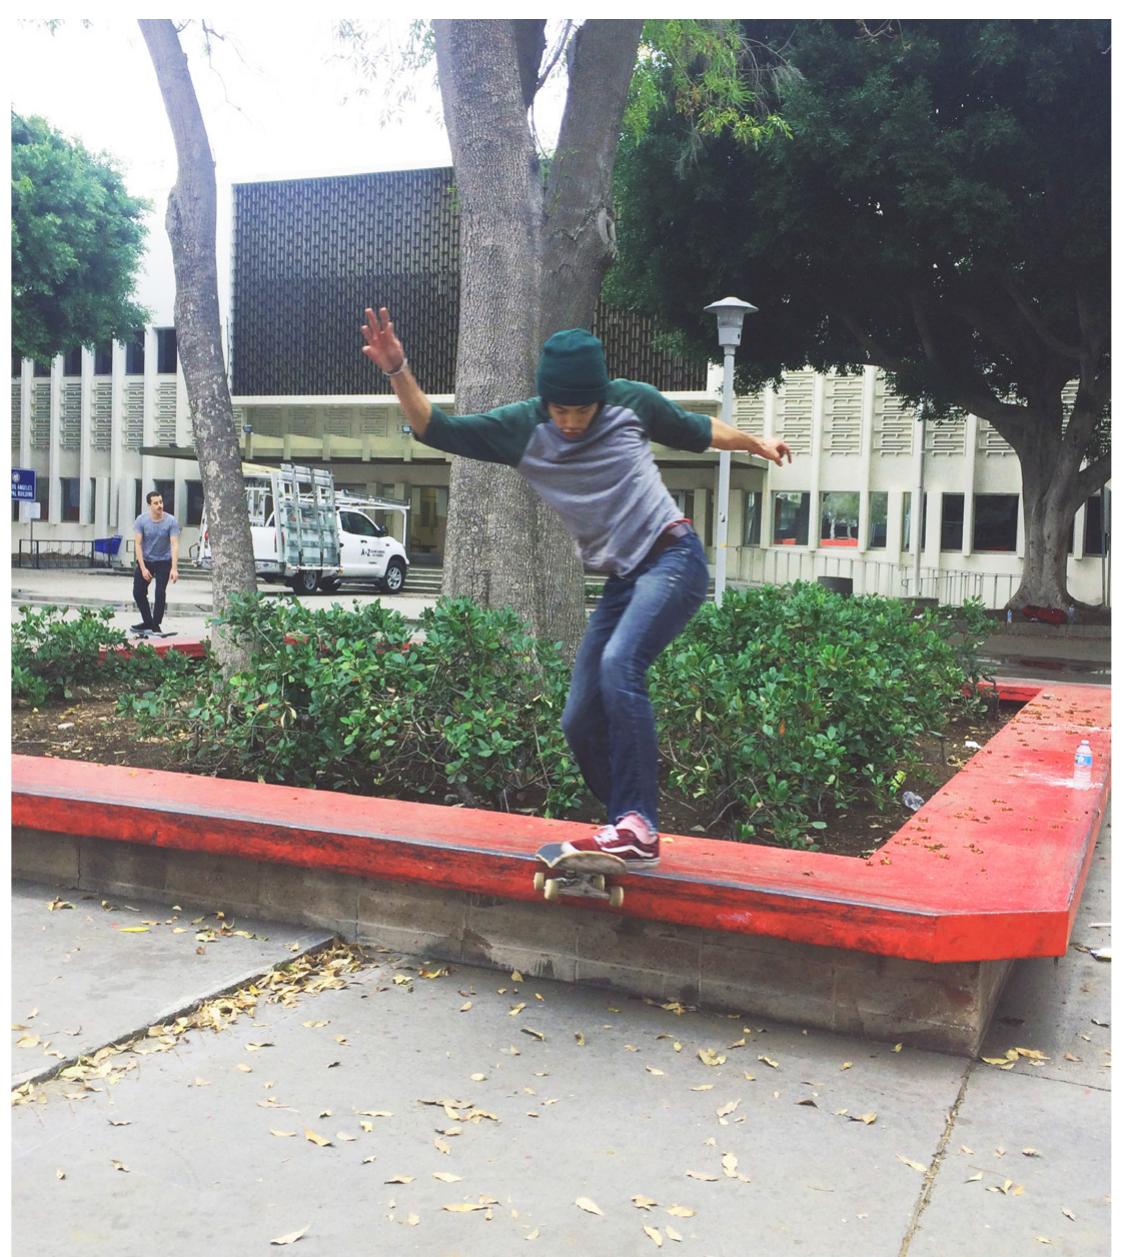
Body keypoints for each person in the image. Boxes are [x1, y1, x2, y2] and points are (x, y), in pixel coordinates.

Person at [361, 306, 792, 865]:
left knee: (620, 665)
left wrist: (756, 444)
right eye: (560, 410)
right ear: (545, 401)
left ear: (600, 398)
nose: (569, 422)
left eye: (582, 411)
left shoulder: (632, 402)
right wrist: (398, 370)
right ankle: (626, 826)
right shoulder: (522, 427)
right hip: (622, 582)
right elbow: (435, 428)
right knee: (579, 718)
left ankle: (637, 825)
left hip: (673, 559)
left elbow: (701, 429)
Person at [132, 491, 180, 634]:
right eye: (156, 503)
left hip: (164, 561)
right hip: (146, 560)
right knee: (138, 592)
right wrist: (143, 568)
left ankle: (156, 624)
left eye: (161, 502)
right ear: (149, 505)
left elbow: (174, 545)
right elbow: (138, 544)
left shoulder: (171, 521)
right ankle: (148, 622)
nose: (160, 505)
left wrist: (174, 568)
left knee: (160, 593)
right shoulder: (141, 520)